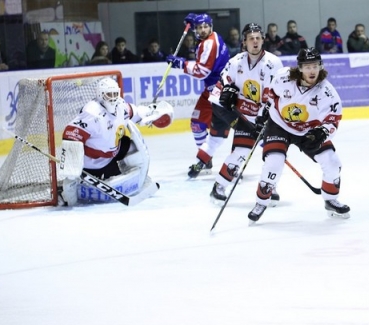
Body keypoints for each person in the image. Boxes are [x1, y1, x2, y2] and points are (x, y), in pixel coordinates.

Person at [247, 47, 349, 223]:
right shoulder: (283, 77)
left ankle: (330, 199)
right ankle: (261, 201)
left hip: (307, 131)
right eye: (308, 66)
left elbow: (333, 120)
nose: (312, 70)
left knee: (332, 162)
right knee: (274, 162)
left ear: (321, 67)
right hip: (279, 124)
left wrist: (321, 133)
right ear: (300, 68)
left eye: (315, 66)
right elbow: (270, 95)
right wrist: (263, 113)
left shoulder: (327, 92)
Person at [58, 77, 173, 206]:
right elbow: (71, 133)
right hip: (91, 164)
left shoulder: (121, 106)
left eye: (115, 94)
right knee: (73, 182)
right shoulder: (92, 113)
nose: (113, 98)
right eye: (109, 94)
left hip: (111, 156)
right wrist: (72, 168)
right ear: (100, 95)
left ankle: (138, 179)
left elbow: (136, 112)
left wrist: (153, 112)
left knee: (133, 149)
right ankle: (67, 193)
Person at [206, 23, 283, 205]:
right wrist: (225, 94)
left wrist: (263, 119)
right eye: (251, 38)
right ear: (244, 42)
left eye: (258, 38)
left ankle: (268, 186)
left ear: (263, 40)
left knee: (273, 153)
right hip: (240, 114)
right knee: (241, 151)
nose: (255, 41)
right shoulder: (235, 62)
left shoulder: (273, 63)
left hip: (268, 115)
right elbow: (220, 88)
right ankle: (219, 187)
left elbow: (276, 94)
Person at [166, 13, 230, 178]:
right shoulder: (209, 39)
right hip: (210, 91)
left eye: (205, 26)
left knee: (243, 127)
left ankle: (271, 149)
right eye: (199, 27)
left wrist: (181, 64)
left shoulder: (209, 43)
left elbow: (202, 71)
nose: (203, 30)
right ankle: (206, 159)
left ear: (211, 26)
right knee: (197, 123)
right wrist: (194, 18)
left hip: (221, 92)